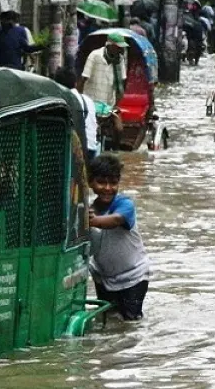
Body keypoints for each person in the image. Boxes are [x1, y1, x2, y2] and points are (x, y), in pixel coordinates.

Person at [88, 154, 150, 321]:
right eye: (101, 182)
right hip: (104, 277)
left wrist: (90, 221)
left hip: (134, 276)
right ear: (90, 182)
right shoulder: (88, 208)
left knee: (130, 322)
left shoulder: (125, 204)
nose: (108, 188)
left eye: (113, 183)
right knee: (107, 320)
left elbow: (115, 220)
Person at [54, 67, 99, 164]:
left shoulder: (59, 100)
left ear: (56, 85)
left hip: (72, 152)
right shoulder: (88, 100)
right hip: (91, 150)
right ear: (75, 83)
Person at [78, 32, 127, 108]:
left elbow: (121, 83)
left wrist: (116, 104)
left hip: (109, 103)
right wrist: (80, 100)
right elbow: (84, 78)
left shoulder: (120, 59)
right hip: (92, 101)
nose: (121, 50)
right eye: (118, 47)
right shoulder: (95, 55)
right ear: (110, 45)